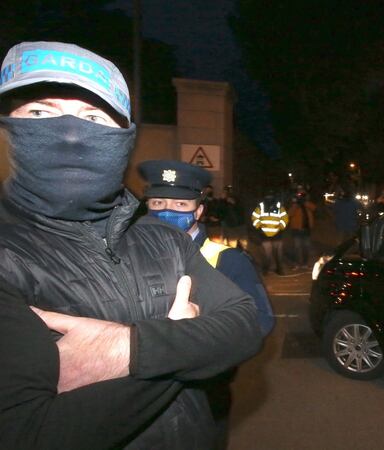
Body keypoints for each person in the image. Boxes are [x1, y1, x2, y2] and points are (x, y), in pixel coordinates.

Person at [0, 41, 262, 449]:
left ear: (123, 138)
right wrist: (185, 343)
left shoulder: (165, 240)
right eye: (40, 112)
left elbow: (245, 325)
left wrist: (126, 350)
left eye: (93, 116)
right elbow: (27, 432)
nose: (71, 133)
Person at [139, 159, 275, 448]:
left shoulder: (228, 259)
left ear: (199, 211)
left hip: (203, 393)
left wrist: (194, 343)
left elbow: (259, 321)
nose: (166, 211)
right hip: (141, 398)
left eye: (180, 206)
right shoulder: (129, 254)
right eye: (158, 202)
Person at [252, 191, 289, 275]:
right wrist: (260, 226)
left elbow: (285, 218)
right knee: (268, 254)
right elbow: (254, 217)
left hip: (276, 234)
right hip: (266, 234)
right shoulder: (261, 206)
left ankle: (278, 269)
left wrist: (280, 227)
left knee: (276, 254)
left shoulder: (278, 205)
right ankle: (266, 270)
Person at [287, 184, 317, 268]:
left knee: (306, 247)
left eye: (302, 194)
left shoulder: (307, 203)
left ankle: (305, 263)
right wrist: (296, 204)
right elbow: (289, 214)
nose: (301, 195)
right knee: (297, 247)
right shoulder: (294, 203)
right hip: (296, 229)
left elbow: (314, 208)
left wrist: (304, 202)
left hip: (306, 229)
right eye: (299, 194)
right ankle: (297, 263)